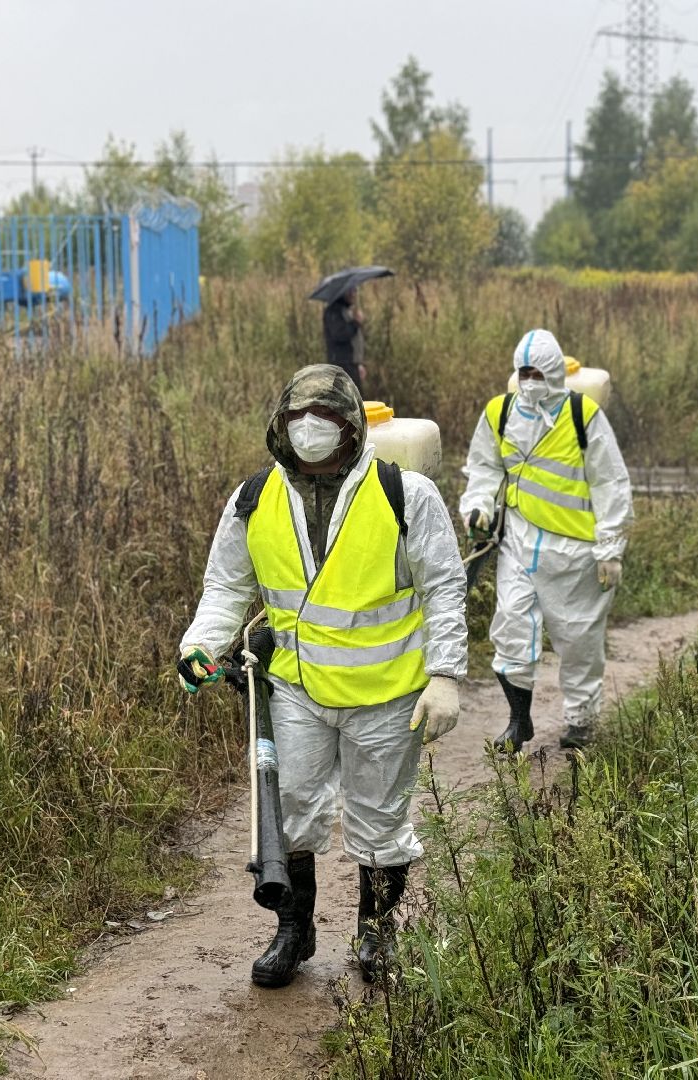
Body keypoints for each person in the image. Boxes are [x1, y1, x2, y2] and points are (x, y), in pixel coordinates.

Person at [177, 365, 466, 988]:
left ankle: (376, 934)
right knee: (292, 811)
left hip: (388, 695)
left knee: (380, 819)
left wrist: (445, 674)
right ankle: (294, 931)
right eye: (298, 426)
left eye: (325, 426)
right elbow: (228, 586)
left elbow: (444, 586)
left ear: (352, 429)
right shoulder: (254, 499)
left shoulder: (404, 495)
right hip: (298, 690)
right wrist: (199, 646)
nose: (310, 439)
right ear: (280, 430)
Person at [458, 329, 633, 753]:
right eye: (524, 372)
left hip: (577, 554)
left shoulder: (582, 415)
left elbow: (611, 482)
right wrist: (478, 505)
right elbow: (483, 466)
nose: (531, 379)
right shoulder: (500, 413)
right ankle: (519, 722)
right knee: (512, 629)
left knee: (579, 642)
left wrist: (610, 548)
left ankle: (581, 721)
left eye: (538, 371)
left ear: (554, 372)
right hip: (520, 545)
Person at [323, 287, 366, 395]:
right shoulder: (333, 311)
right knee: (350, 405)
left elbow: (354, 342)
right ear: (341, 292)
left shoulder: (346, 310)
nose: (353, 294)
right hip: (342, 366)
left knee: (356, 403)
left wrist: (359, 364)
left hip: (352, 365)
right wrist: (356, 323)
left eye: (355, 290)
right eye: (350, 291)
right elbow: (339, 335)